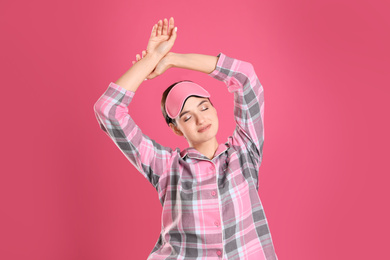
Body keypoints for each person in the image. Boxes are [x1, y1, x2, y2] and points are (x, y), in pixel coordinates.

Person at [94, 17, 278, 260]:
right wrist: (151, 59)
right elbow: (107, 110)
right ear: (177, 128)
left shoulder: (245, 152)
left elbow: (245, 76)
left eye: (203, 108)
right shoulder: (166, 167)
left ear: (214, 108)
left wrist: (172, 59)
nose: (201, 120)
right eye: (187, 117)